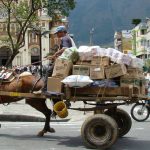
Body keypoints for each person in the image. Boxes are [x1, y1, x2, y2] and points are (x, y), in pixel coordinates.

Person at [33, 25, 76, 94]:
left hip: (65, 61)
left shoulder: (64, 38)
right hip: (67, 60)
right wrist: (54, 56)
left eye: (58, 33)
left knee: (49, 71)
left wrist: (55, 54)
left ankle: (43, 90)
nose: (57, 35)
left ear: (62, 32)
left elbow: (65, 48)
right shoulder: (68, 38)